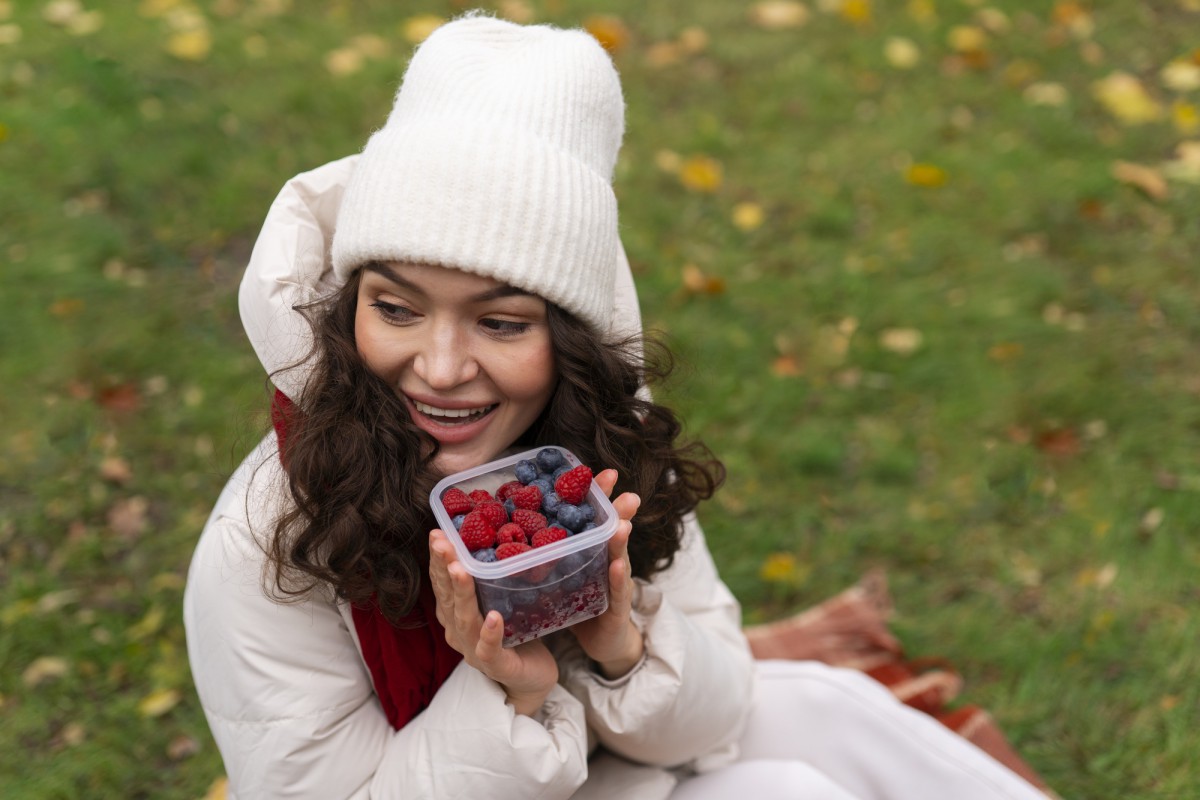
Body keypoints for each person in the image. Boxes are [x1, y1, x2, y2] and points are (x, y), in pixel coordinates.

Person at [183, 13, 1049, 799]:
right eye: (397, 307)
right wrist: (511, 694)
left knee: (826, 703)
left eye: (500, 321)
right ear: (348, 307)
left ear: (571, 342)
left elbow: (719, 706)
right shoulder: (270, 542)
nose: (440, 369)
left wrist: (619, 641)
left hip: (613, 761)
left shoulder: (596, 451)